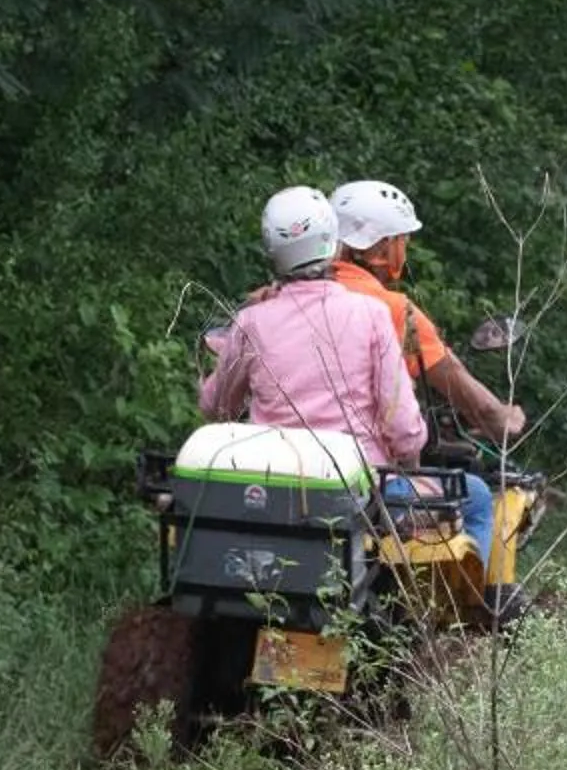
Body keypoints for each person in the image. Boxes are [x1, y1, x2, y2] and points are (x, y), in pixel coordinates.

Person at [321, 179, 522, 585]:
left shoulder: (271, 300)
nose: (403, 251)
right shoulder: (393, 311)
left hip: (282, 478)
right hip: (363, 487)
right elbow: (469, 399)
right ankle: (463, 637)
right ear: (380, 249)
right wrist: (505, 419)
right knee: (479, 498)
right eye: (402, 241)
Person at [199, 186, 428, 471]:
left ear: (272, 250)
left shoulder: (252, 322)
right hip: (359, 485)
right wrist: (408, 453)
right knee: (477, 496)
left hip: (273, 478)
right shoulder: (372, 314)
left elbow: (217, 407)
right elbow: (402, 426)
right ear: (334, 241)